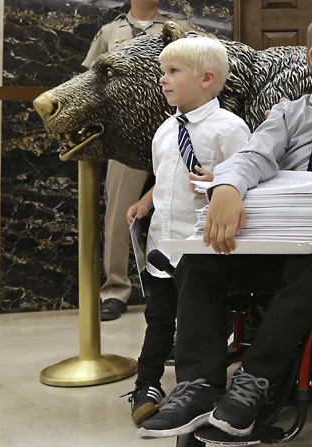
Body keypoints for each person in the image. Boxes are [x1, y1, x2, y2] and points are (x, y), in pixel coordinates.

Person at [136, 9, 312, 439]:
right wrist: (227, 187)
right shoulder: (288, 115)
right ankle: (198, 384)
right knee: (199, 262)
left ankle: (254, 382)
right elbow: (254, 155)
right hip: (273, 240)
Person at [122, 36, 251, 426]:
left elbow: (246, 181)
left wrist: (220, 182)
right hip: (164, 243)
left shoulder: (229, 129)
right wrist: (145, 203)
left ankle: (198, 383)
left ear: (207, 78)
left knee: (201, 316)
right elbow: (166, 178)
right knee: (158, 317)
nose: (163, 80)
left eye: (173, 72)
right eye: (163, 72)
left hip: (204, 250)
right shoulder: (165, 130)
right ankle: (147, 383)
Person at [82, 0, 203, 321]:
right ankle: (115, 290)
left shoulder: (179, 28)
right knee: (119, 212)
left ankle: (185, 281)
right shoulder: (111, 31)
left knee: (186, 204)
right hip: (126, 133)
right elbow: (92, 80)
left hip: (173, 128)